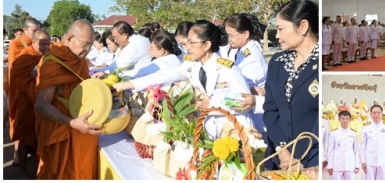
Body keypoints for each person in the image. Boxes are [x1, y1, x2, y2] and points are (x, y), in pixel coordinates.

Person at [113, 20, 254, 138]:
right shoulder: (192, 66)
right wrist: (126, 85)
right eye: (186, 43)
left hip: (234, 132)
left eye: (192, 43)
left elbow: (242, 102)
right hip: (210, 130)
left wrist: (212, 104)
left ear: (206, 45)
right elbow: (162, 76)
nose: (187, 48)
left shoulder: (228, 70)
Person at [35, 19, 101, 179]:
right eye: (85, 44)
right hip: (63, 129)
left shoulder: (80, 61)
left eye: (91, 45)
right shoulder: (53, 62)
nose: (88, 50)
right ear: (70, 38)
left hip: (82, 129)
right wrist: (71, 123)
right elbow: (42, 103)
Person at [262, 0, 319, 179]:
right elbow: (271, 110)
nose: (277, 36)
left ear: (303, 27)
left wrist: (314, 160)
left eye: (280, 29)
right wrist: (283, 152)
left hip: (313, 163)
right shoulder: (278, 62)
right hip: (279, 159)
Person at [9, 29, 50, 178]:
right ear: (33, 42)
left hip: (43, 103)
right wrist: (35, 80)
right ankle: (23, 169)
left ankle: (38, 165)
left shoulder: (49, 57)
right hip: (27, 103)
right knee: (25, 136)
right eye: (43, 44)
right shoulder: (24, 58)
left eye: (48, 44)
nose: (46, 47)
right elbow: (16, 78)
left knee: (40, 135)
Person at [361, 104, 385, 179]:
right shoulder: (366, 127)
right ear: (370, 114)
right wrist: (363, 161)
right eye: (374, 112)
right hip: (370, 160)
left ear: (382, 114)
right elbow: (362, 145)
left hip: (383, 160)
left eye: (378, 112)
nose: (376, 115)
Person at [325, 110, 360, 179]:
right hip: (337, 165)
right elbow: (330, 151)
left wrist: (357, 164)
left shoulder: (354, 133)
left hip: (350, 165)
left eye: (347, 119)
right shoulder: (333, 133)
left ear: (350, 120)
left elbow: (356, 151)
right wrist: (330, 165)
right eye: (343, 118)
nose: (345, 121)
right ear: (339, 119)